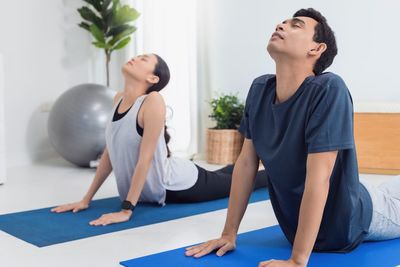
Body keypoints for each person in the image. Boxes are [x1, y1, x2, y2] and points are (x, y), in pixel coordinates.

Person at [185, 8, 400, 267]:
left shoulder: (329, 89)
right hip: (338, 203)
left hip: (364, 214)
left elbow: (319, 178)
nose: (281, 25)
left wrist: (298, 261)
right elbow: (245, 164)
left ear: (316, 49)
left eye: (296, 25)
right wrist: (228, 233)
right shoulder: (260, 89)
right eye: (283, 22)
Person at [51, 53, 268, 226]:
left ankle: (275, 171)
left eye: (144, 59)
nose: (135, 58)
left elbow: (144, 159)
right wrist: (85, 199)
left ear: (153, 79)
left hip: (179, 185)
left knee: (245, 181)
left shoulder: (153, 100)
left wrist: (126, 210)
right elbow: (110, 153)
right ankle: (244, 166)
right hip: (168, 176)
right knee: (223, 173)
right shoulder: (118, 99)